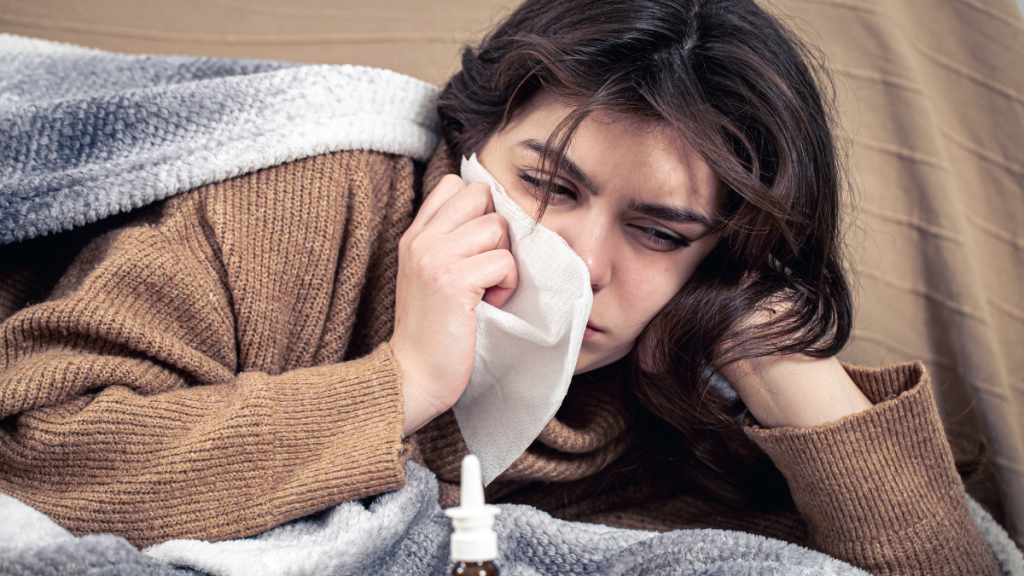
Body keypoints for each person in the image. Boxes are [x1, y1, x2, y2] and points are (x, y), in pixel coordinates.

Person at [0, 0, 1001, 573]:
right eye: (544, 185)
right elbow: (38, 458)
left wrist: (800, 390)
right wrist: (399, 383)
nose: (567, 260)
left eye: (656, 231)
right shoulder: (316, 200)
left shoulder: (665, 395)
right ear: (471, 142)